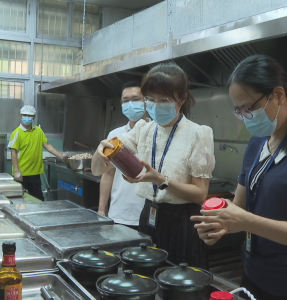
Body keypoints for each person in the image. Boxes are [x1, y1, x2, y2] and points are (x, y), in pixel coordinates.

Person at [191, 55, 287, 299]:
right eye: (238, 110)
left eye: (249, 108)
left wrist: (245, 221)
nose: (244, 116)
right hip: (254, 274)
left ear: (278, 95)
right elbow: (240, 207)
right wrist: (219, 224)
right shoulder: (257, 143)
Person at [92, 62, 215, 269]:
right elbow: (98, 170)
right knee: (145, 278)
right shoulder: (144, 129)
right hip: (148, 216)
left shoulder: (198, 133)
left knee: (177, 284)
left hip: (182, 222)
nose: (156, 106)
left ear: (182, 98)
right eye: (150, 99)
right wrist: (100, 151)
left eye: (164, 100)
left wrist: (159, 179)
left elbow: (200, 194)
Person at [98, 81, 147, 230]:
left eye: (136, 99)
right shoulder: (115, 135)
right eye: (126, 100)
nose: (130, 104)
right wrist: (101, 209)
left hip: (148, 214)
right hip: (119, 213)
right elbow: (108, 174)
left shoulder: (156, 132)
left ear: (147, 101)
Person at [8, 105, 69, 201]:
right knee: (20, 202)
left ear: (34, 117)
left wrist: (60, 156)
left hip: (35, 174)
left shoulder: (38, 131)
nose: (27, 117)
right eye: (25, 115)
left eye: (30, 116)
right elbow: (13, 152)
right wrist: (16, 171)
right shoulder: (17, 132)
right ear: (20, 116)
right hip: (21, 174)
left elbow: (47, 145)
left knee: (38, 200)